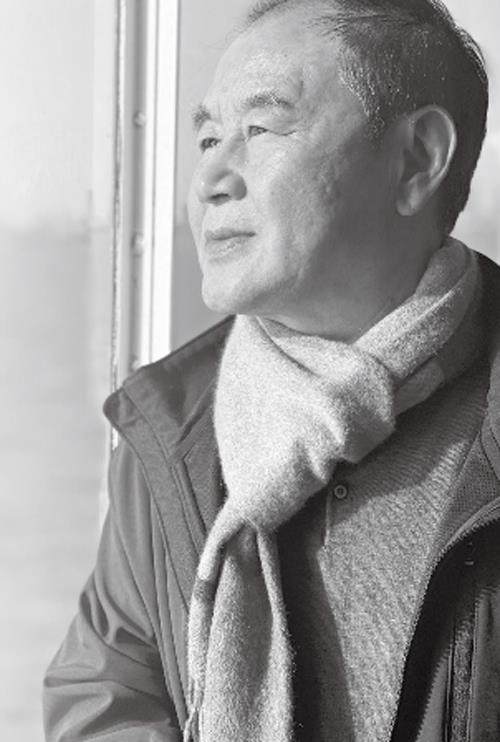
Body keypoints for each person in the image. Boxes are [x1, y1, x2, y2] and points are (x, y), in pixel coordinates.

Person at [43, 1, 500, 740]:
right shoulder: (171, 424)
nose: (211, 179)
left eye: (260, 129)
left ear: (418, 160)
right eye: (207, 138)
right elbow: (107, 688)